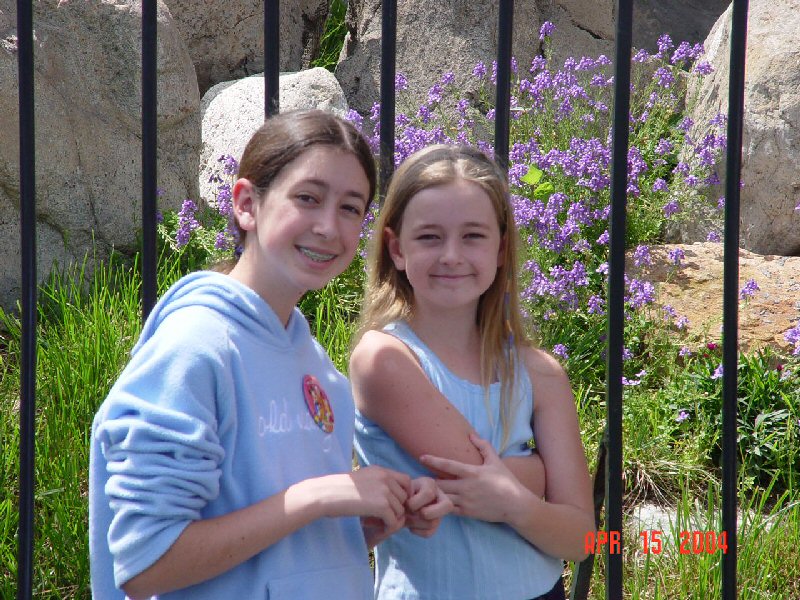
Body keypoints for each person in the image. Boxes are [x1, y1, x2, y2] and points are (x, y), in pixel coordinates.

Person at [89, 109, 451, 600]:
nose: (329, 226)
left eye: (350, 208)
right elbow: (146, 564)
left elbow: (281, 540)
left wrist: (365, 517)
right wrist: (318, 496)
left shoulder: (320, 369)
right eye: (308, 198)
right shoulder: (193, 348)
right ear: (246, 204)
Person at [350, 144, 595, 600]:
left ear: (501, 249)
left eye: (473, 236)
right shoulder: (384, 358)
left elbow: (581, 538)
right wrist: (538, 474)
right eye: (428, 237)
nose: (451, 255)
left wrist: (515, 504)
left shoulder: (541, 373)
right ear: (396, 249)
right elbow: (474, 475)